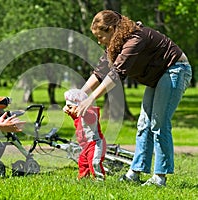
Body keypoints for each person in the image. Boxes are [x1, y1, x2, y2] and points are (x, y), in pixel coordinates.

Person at [76, 10, 192, 186]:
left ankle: (160, 177)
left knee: (158, 123)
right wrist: (78, 96)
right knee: (143, 124)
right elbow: (101, 71)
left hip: (176, 69)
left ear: (112, 29)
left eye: (101, 37)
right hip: (158, 76)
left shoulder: (135, 39)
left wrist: (91, 99)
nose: (100, 42)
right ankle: (135, 172)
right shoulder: (115, 45)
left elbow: (116, 74)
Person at [63, 89, 106, 181]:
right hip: (85, 146)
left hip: (94, 143)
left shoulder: (90, 113)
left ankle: (99, 180)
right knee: (83, 162)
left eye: (70, 107)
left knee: (94, 162)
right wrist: (70, 112)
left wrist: (84, 110)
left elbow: (90, 119)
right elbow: (77, 119)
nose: (68, 109)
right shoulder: (79, 115)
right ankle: (83, 178)